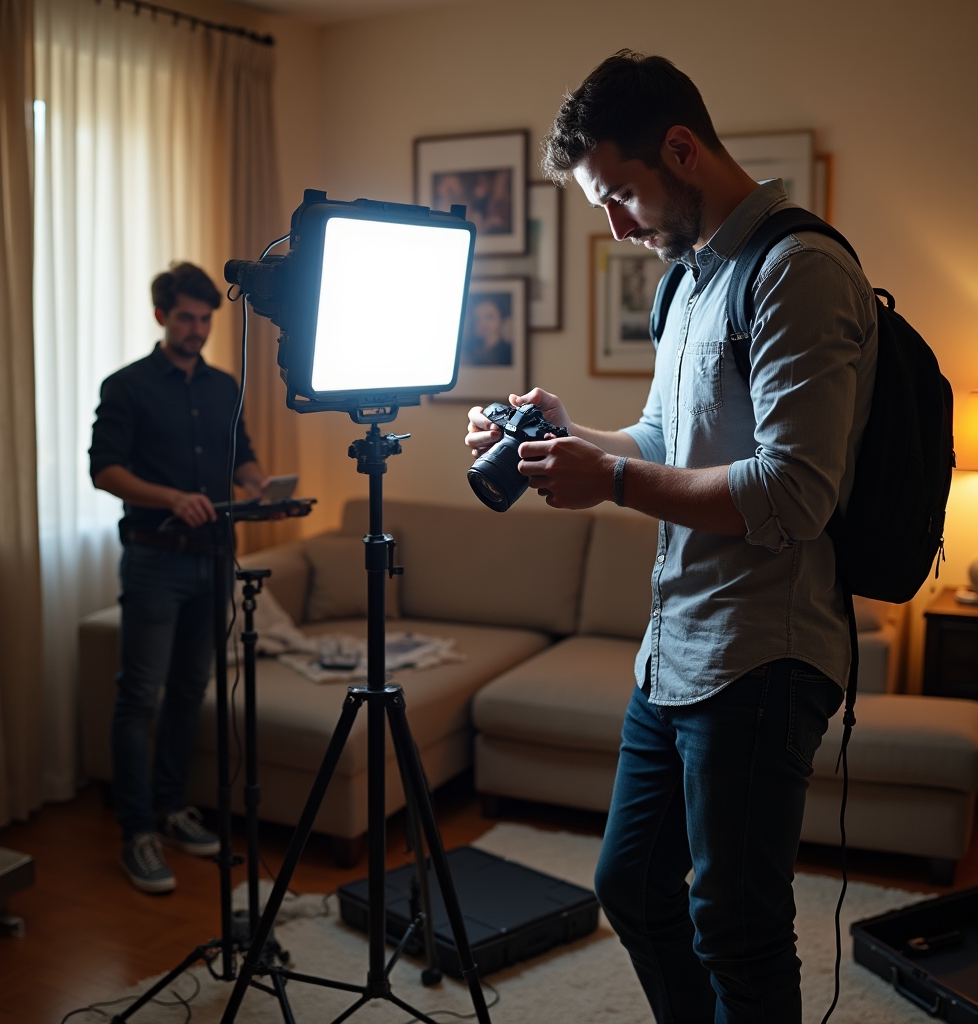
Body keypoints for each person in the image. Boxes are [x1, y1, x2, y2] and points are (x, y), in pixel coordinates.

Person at [465, 52, 877, 1023]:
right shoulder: (690, 282)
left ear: (681, 150)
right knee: (633, 888)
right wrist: (571, 435)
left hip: (762, 660)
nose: (614, 227)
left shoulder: (798, 271)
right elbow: (661, 442)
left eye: (620, 196)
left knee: (734, 925)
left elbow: (795, 494)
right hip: (674, 652)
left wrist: (608, 479)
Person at [90, 261, 267, 894]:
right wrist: (169, 497)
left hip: (216, 555)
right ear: (162, 316)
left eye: (205, 319)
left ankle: (171, 809)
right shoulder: (127, 387)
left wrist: (258, 481)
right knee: (139, 695)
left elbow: (239, 452)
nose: (197, 329)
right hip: (155, 558)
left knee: (192, 690)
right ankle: (136, 830)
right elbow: (104, 470)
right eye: (187, 318)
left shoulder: (224, 388)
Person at [463, 296, 513, 366]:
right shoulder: (468, 351)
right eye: (478, 318)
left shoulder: (509, 351)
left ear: (502, 319)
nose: (483, 324)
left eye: (489, 317)